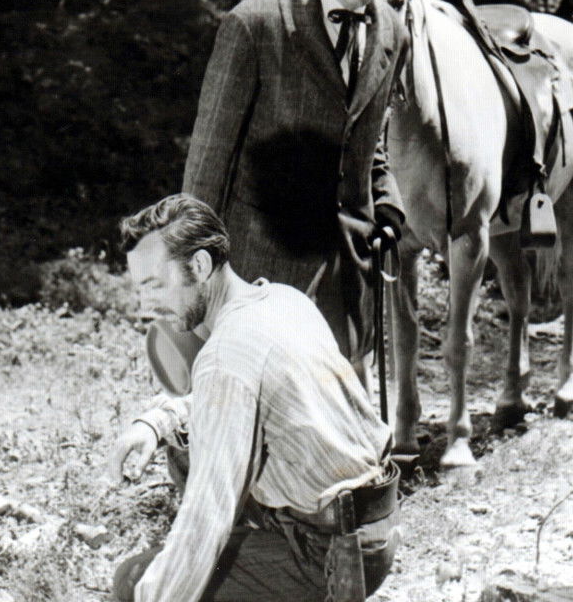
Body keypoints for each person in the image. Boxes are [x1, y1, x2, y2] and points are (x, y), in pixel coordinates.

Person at [107, 194, 400, 602]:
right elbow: (240, 397)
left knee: (134, 580)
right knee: (183, 449)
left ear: (200, 266)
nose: (145, 306)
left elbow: (206, 519)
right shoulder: (282, 300)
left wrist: (152, 594)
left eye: (155, 285)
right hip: (373, 525)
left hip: (333, 555)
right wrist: (157, 423)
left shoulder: (225, 357)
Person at [181, 0, 414, 362]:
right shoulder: (255, 25)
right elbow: (207, 164)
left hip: (347, 270)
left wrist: (388, 204)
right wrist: (193, 277)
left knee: (329, 418)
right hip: (259, 270)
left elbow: (370, 144)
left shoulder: (393, 33)